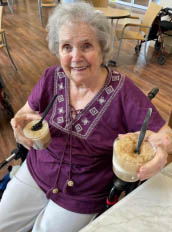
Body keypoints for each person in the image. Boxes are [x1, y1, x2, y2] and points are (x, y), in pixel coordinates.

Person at [0, 2, 172, 232]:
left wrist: (161, 152)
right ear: (57, 50)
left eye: (86, 45)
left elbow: (165, 135)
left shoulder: (123, 91)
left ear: (102, 48)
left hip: (84, 191)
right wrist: (18, 126)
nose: (75, 57)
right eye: (66, 47)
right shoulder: (51, 77)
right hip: (37, 171)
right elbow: (24, 113)